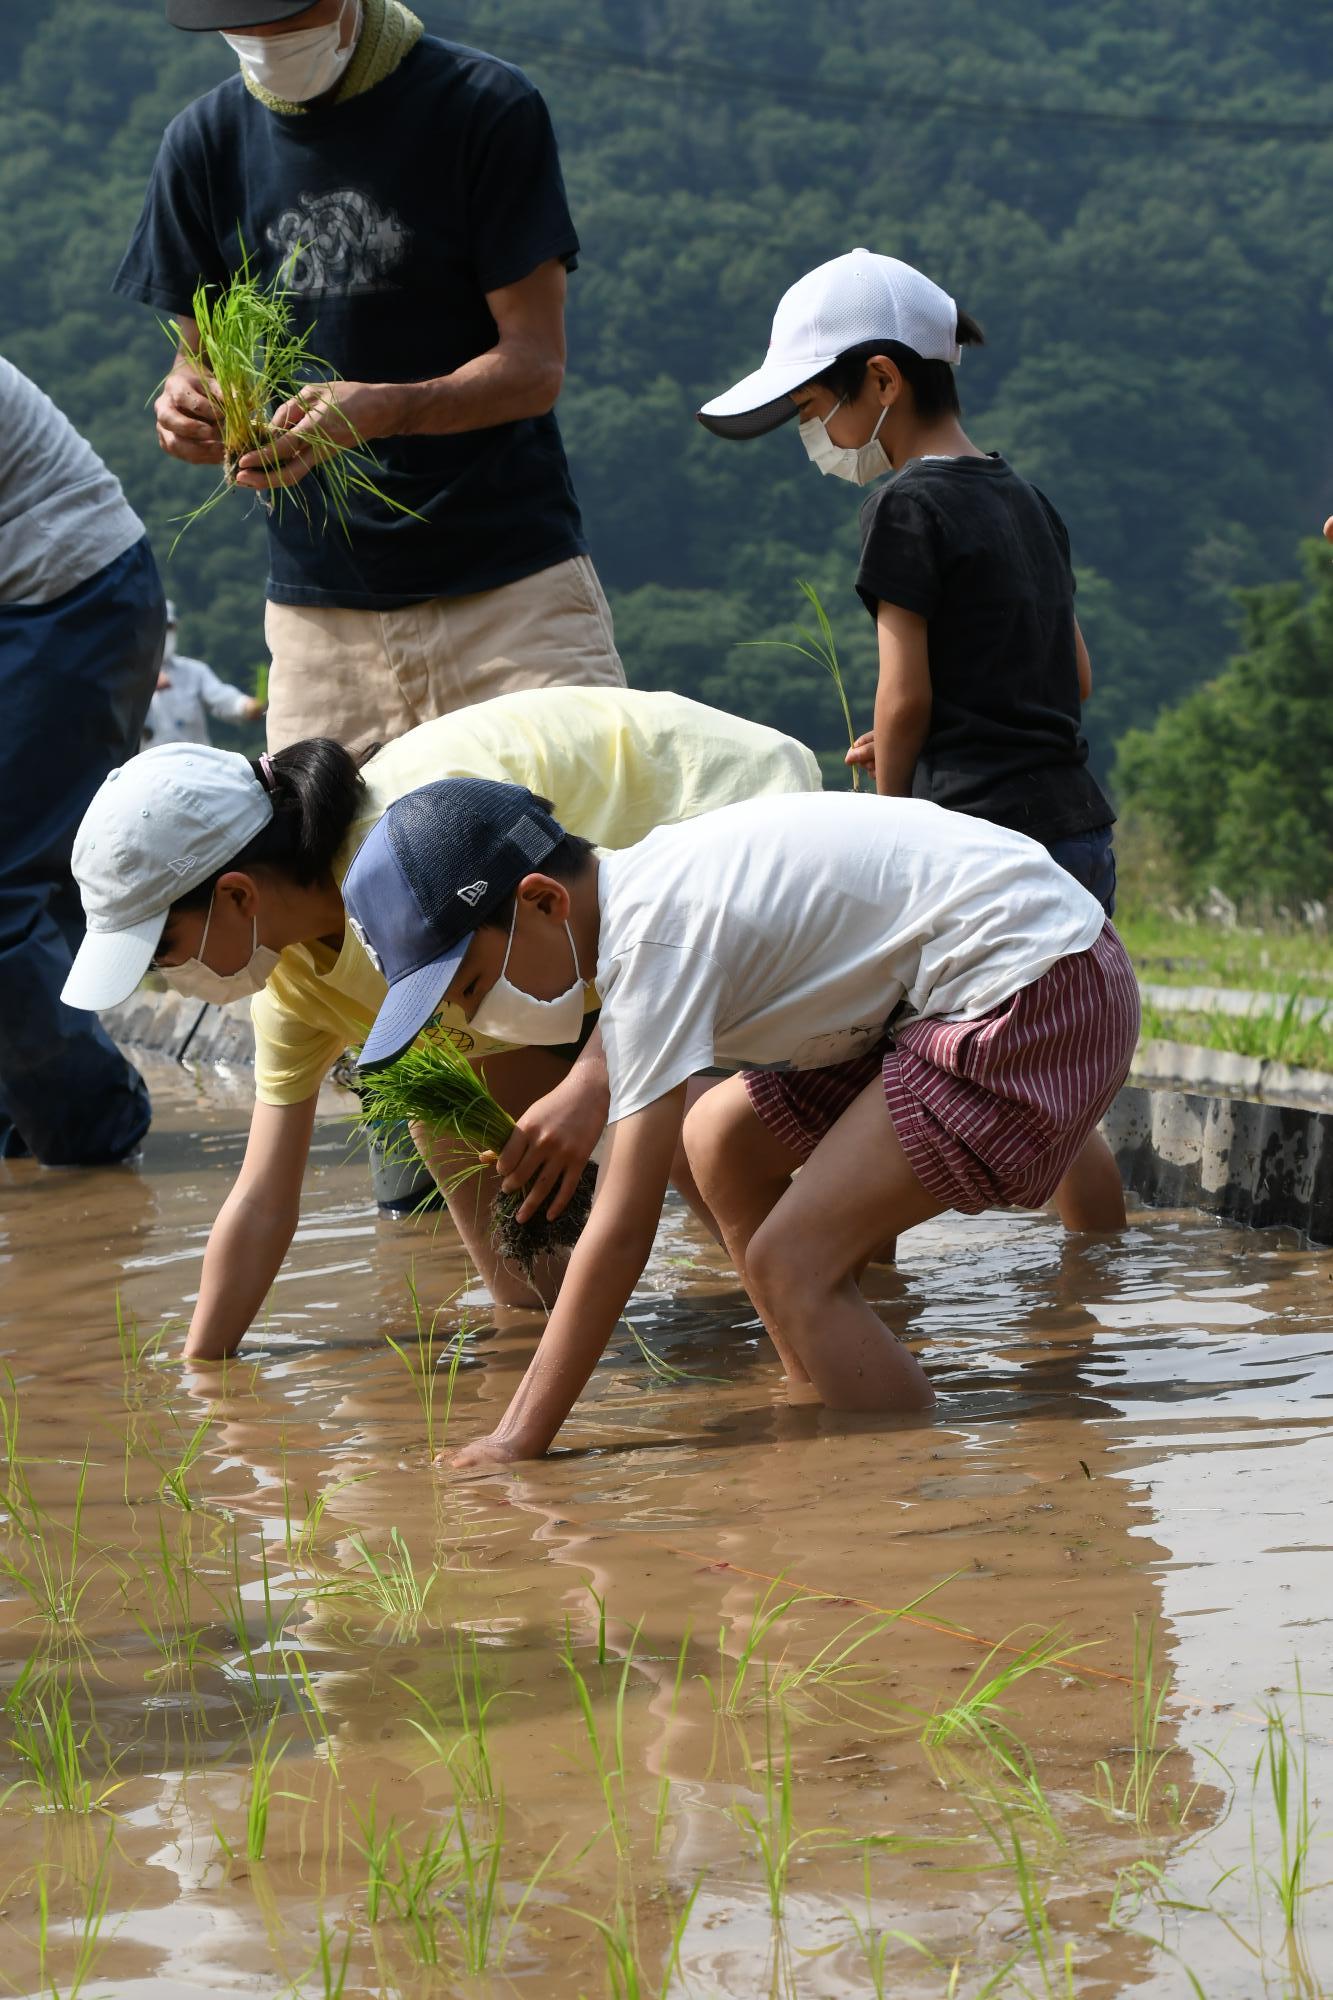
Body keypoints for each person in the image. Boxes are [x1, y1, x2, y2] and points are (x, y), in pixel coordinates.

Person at [343, 783, 1140, 1467]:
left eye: (472, 983)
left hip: (1036, 993)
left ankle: (897, 1489)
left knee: (791, 1262)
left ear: (543, 903)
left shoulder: (650, 938)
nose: (474, 1015)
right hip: (965, 983)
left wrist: (518, 1437)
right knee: (718, 1137)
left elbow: (622, 1229)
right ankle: (821, 1378)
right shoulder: (643, 894)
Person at [62, 687, 821, 1353]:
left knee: (705, 1146)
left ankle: (822, 1308)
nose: (165, 975)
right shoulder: (293, 985)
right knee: (448, 1120)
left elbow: (656, 936)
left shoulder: (413, 856)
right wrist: (206, 1372)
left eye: (163, 947)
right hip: (573, 945)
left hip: (717, 819)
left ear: (235, 896)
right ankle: (735, 1319)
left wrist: (593, 1087)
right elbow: (262, 1200)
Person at [698, 247, 1125, 1229]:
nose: (817, 430)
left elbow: (902, 698)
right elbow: (1078, 677)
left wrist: (884, 828)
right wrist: (957, 724)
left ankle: (865, 1311)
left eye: (815, 408)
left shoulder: (903, 503)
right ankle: (1091, 1297)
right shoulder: (1026, 498)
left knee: (879, 1084)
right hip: (1073, 833)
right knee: (1056, 1087)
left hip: (969, 850)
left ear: (881, 379)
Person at [115, 0, 625, 754]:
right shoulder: (206, 140)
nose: (265, 37)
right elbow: (196, 355)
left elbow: (533, 367)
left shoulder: (480, 106)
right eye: (241, 21)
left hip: (509, 597)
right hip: (317, 617)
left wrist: (385, 409)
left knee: (563, 844)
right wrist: (184, 400)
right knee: (324, 867)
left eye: (285, 14)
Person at [0, 356, 166, 1166]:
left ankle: (95, 1136)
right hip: (29, 607)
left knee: (4, 903)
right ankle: (27, 1126)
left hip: (70, 598)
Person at [143, 602, 266, 746]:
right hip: (147, 765)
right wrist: (143, 684)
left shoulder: (194, 672)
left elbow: (221, 697)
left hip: (195, 764)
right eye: (156, 628)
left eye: (167, 627)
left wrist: (245, 706)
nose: (163, 634)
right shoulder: (125, 677)